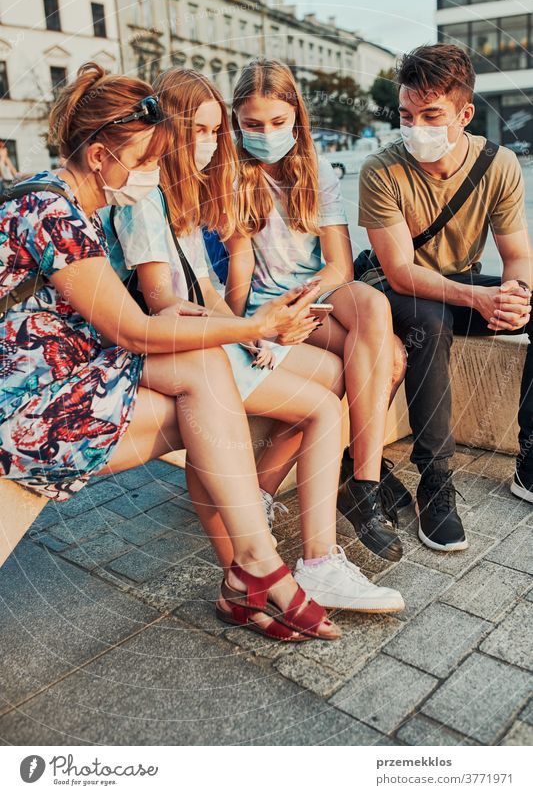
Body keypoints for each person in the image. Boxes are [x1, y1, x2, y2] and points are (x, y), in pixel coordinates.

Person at [0, 61, 343, 643]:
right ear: (100, 156)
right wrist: (251, 326)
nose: (156, 173)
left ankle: (253, 567)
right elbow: (133, 330)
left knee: (205, 374)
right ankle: (254, 571)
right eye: (147, 161)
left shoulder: (73, 202)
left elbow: (145, 318)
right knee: (207, 393)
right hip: (28, 407)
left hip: (68, 375)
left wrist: (232, 325)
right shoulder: (50, 211)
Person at [101, 66, 404, 615]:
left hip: (207, 339)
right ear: (164, 129)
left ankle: (301, 535)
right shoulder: (144, 200)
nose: (210, 143)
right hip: (174, 351)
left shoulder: (183, 196)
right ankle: (318, 558)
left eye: (216, 132)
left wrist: (249, 332)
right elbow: (160, 299)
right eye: (199, 130)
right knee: (320, 406)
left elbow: (209, 291)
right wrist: (248, 329)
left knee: (334, 380)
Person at [225, 57, 411, 563]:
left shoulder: (317, 169)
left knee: (372, 304)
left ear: (296, 119)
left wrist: (305, 302)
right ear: (236, 122)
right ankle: (342, 487)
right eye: (253, 125)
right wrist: (251, 327)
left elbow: (339, 267)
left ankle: (364, 485)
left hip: (318, 294)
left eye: (278, 123)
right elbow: (239, 274)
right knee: (390, 358)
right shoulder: (234, 176)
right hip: (270, 305)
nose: (266, 133)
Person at [358, 42, 533, 552]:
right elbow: (398, 270)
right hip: (399, 290)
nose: (416, 127)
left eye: (431, 115)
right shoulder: (381, 171)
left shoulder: (498, 165)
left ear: (465, 114)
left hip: (461, 285)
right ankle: (435, 481)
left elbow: (517, 253)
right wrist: (477, 299)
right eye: (407, 115)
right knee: (430, 322)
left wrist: (515, 293)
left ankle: (529, 458)